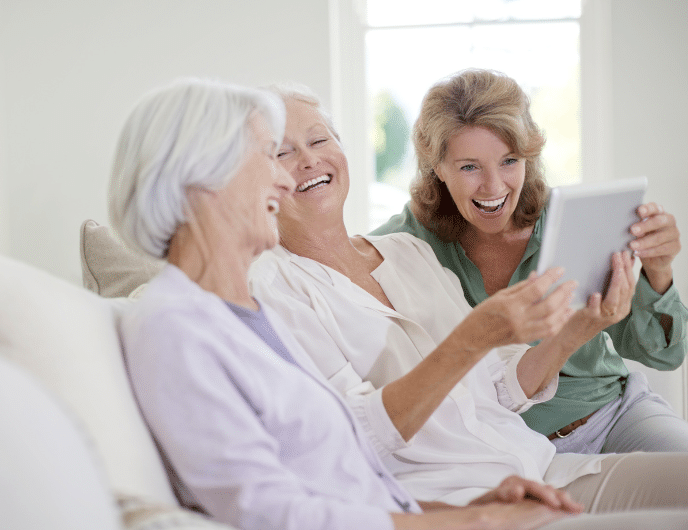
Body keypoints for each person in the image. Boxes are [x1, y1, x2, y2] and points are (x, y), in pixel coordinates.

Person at [108, 77, 623, 530]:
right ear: (201, 179)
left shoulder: (241, 312)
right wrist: (469, 520)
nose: (286, 177)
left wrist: (460, 513)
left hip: (491, 486)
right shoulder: (180, 322)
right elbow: (269, 507)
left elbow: (342, 475)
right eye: (269, 156)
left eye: (317, 141)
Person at [248, 81, 688, 520]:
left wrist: (582, 327)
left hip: (545, 459)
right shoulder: (271, 287)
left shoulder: (406, 253)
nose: (308, 159)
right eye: (282, 153)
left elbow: (499, 385)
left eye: (319, 140)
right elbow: (351, 439)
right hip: (467, 493)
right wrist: (473, 338)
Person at [371, 68, 688, 454]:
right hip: (507, 448)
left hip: (614, 416)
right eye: (469, 166)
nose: (493, 186)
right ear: (437, 167)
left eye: (509, 161)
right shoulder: (400, 245)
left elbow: (663, 353)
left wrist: (658, 270)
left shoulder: (575, 220)